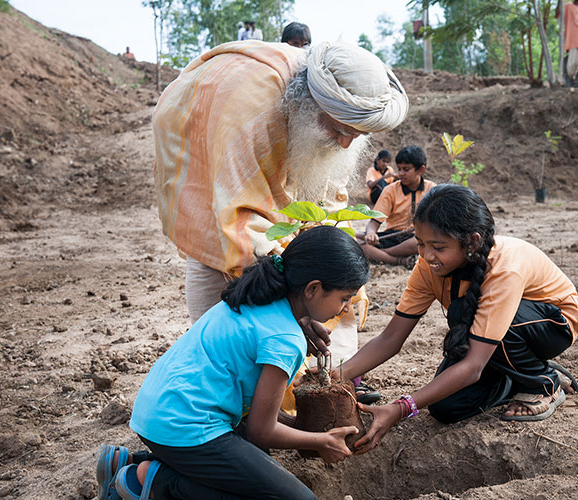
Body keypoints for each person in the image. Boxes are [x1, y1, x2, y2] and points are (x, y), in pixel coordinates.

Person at [154, 40, 406, 408]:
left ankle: (325, 381)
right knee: (222, 269)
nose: (345, 141)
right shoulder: (248, 111)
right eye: (338, 128)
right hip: (199, 137)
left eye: (356, 133)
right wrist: (291, 306)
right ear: (307, 104)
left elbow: (324, 196)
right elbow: (238, 220)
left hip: (254, 130)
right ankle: (228, 404)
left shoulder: (329, 121)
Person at [95, 226, 369, 500]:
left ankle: (129, 461)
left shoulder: (258, 296)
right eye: (344, 298)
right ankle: (151, 481)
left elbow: (259, 419)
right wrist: (322, 440)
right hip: (184, 427)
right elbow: (261, 430)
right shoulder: (286, 339)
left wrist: (299, 429)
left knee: (259, 466)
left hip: (157, 411)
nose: (345, 308)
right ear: (313, 289)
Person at [337, 185, 578, 453]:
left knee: (473, 317)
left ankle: (542, 381)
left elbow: (473, 365)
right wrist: (339, 374)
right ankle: (513, 375)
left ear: (472, 242)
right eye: (420, 243)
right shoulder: (428, 267)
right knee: (446, 407)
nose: (426, 255)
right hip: (492, 334)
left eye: (438, 247)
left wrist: (401, 408)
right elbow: (391, 338)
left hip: (551, 324)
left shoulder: (504, 269)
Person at [357, 145, 436, 268]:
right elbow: (374, 222)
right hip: (394, 236)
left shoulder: (432, 189)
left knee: (420, 241)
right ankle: (400, 260)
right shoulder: (390, 190)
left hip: (419, 238)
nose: (400, 174)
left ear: (421, 170)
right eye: (399, 169)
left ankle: (383, 256)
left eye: (406, 169)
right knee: (359, 242)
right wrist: (371, 233)